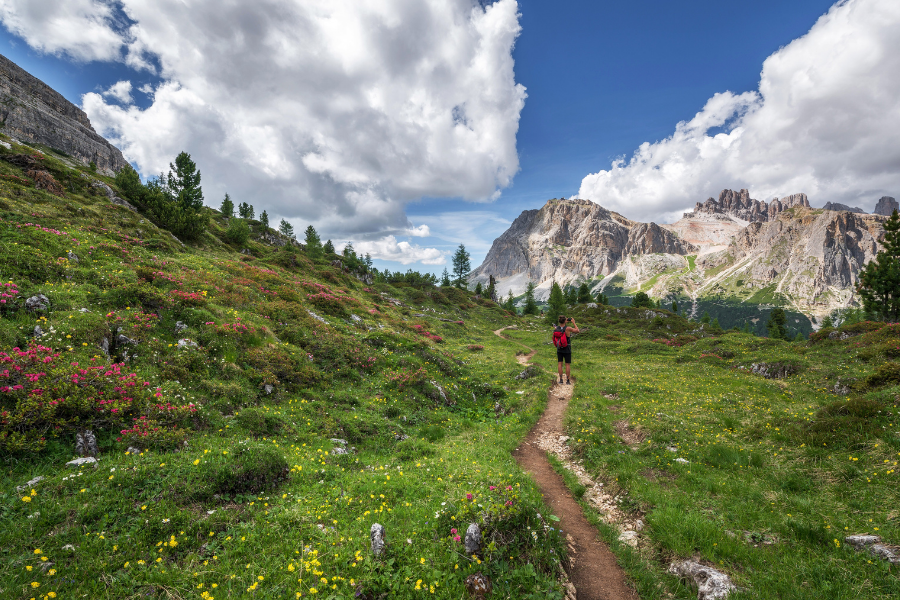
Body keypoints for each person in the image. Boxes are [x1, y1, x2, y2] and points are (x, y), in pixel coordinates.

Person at [552, 315, 579, 384]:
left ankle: (561, 380)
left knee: (560, 364)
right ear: (565, 321)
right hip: (567, 348)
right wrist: (573, 322)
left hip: (559, 348)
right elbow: (577, 331)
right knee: (567, 364)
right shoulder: (568, 328)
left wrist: (564, 321)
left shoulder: (556, 328)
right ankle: (567, 380)